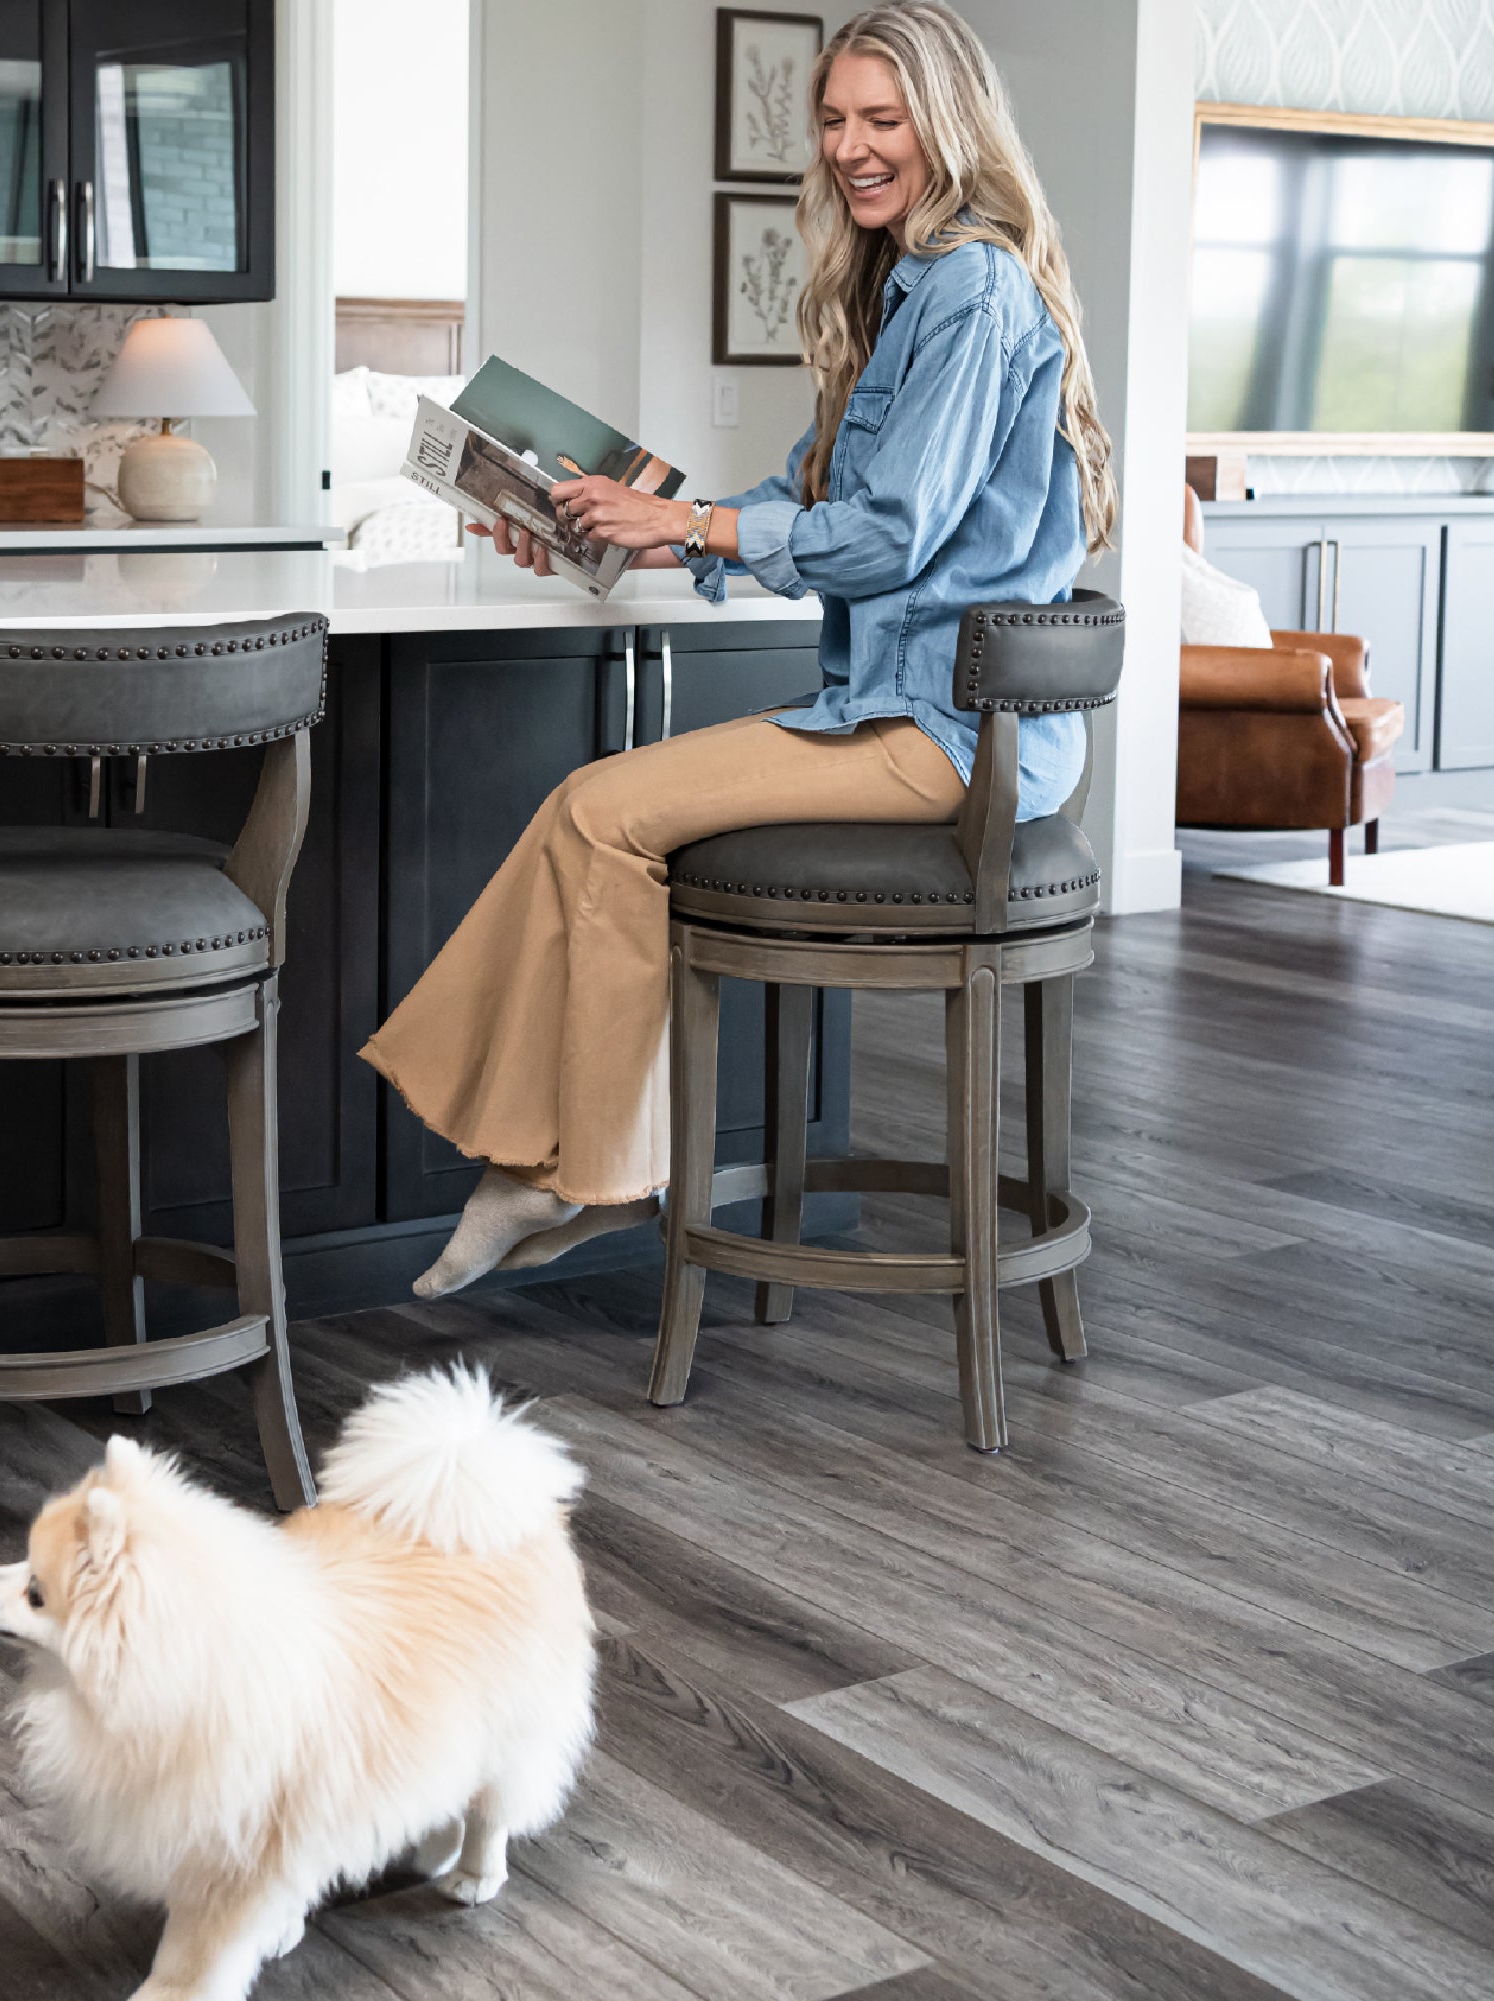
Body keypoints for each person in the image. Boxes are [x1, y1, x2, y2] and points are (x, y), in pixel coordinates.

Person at [362, 0, 1119, 1300]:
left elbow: (885, 534)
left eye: (881, 119)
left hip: (940, 734)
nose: (850, 146)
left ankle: (579, 1169)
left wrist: (684, 521)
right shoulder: (906, 291)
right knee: (590, 812)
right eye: (832, 119)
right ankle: (564, 1165)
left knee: (598, 812)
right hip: (900, 714)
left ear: (946, 125)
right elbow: (804, 500)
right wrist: (623, 534)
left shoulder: (973, 288)